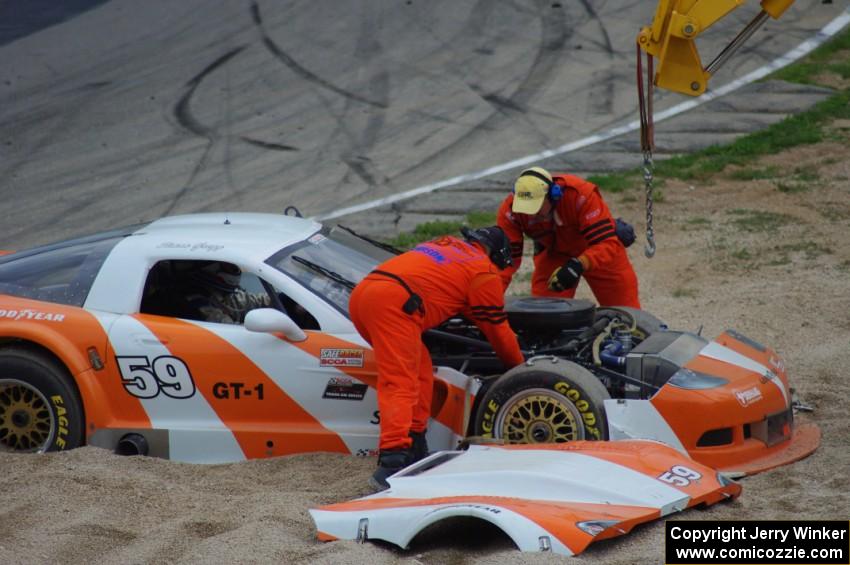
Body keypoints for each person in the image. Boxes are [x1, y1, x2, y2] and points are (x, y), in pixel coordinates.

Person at [349, 226, 525, 491]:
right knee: (400, 381)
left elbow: (441, 283)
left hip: (364, 294)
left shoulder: (447, 245)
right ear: (496, 255)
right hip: (393, 304)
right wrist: (519, 367)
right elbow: (498, 331)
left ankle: (416, 446)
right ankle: (392, 463)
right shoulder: (483, 270)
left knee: (421, 371)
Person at [496, 166, 640, 308]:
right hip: (554, 254)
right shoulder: (511, 212)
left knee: (627, 313)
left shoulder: (580, 195)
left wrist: (579, 264)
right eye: (525, 209)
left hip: (596, 249)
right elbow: (505, 263)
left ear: (553, 195)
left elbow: (607, 243)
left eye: (536, 207)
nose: (531, 215)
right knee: (544, 314)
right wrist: (489, 297)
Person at [178, 261, 271, 324]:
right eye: (229, 267)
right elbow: (230, 329)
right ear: (212, 268)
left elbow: (252, 301)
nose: (234, 270)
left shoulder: (224, 293)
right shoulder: (197, 302)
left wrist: (281, 297)